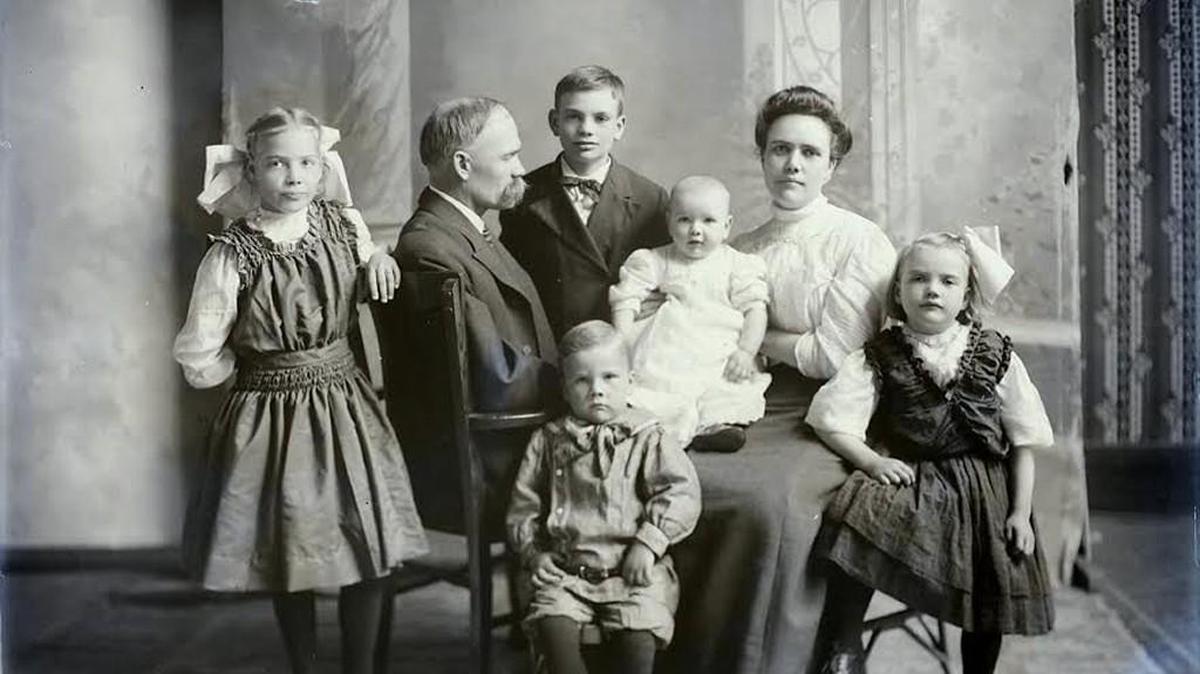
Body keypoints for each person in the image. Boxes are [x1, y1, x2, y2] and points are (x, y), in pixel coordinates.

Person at [174, 107, 429, 674]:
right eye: (276, 163)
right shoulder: (230, 254)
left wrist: (382, 259)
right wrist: (245, 377)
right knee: (291, 555)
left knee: (368, 547)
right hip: (270, 415)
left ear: (322, 169)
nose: (293, 176)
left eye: (306, 163)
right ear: (252, 172)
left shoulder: (345, 226)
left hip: (344, 403)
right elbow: (199, 352)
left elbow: (367, 268)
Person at [661, 86, 896, 674]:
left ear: (831, 164)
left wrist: (749, 338)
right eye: (780, 149)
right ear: (763, 156)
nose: (793, 164)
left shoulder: (859, 240)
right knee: (680, 477)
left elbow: (835, 354)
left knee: (767, 503)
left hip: (834, 415)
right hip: (746, 400)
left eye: (810, 154)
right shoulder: (737, 246)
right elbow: (704, 334)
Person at [805, 228, 1055, 674]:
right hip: (915, 475)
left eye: (947, 282)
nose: (932, 290)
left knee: (992, 573)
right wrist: (873, 460)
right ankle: (842, 646)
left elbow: (1024, 439)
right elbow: (831, 420)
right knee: (857, 512)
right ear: (898, 293)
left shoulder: (994, 353)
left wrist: (1019, 511)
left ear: (966, 296)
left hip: (984, 487)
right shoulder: (880, 355)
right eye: (918, 279)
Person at [393, 97, 558, 530]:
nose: (521, 168)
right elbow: (495, 377)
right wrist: (584, 384)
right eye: (508, 156)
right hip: (489, 469)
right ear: (463, 165)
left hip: (514, 444)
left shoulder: (468, 232)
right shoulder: (430, 249)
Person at [507, 320, 701, 674]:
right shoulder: (549, 441)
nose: (597, 390)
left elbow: (681, 492)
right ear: (565, 389)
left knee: (637, 643)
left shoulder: (647, 437)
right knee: (554, 634)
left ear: (630, 380)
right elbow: (524, 507)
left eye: (609, 377)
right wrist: (534, 554)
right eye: (582, 380)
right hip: (566, 574)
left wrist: (650, 543)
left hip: (632, 574)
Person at [501, 65, 670, 339]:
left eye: (601, 118)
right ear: (554, 122)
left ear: (619, 126)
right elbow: (512, 288)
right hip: (552, 346)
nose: (586, 129)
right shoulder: (524, 195)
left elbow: (669, 277)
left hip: (622, 345)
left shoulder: (651, 198)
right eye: (573, 117)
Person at [609, 176, 770, 451]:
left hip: (717, 351)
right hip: (669, 351)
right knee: (659, 393)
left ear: (726, 226)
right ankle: (662, 431)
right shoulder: (656, 260)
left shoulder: (736, 265)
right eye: (685, 220)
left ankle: (713, 428)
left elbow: (756, 310)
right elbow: (626, 300)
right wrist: (621, 346)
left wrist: (746, 350)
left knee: (723, 392)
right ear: (669, 221)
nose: (696, 230)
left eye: (708, 221)